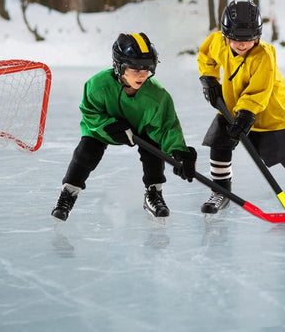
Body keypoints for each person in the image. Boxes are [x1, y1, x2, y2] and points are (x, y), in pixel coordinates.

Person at [196, 0, 285, 222]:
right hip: (233, 107)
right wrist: (209, 78)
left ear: (258, 35)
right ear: (225, 34)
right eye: (236, 39)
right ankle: (220, 191)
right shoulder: (218, 43)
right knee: (219, 143)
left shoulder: (264, 55)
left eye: (248, 39)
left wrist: (245, 113)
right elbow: (206, 56)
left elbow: (258, 90)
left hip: (269, 112)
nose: (242, 45)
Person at [51, 32, 197, 221]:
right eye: (136, 69)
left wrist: (179, 153)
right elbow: (89, 112)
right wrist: (109, 125)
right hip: (103, 130)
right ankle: (68, 193)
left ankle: (154, 193)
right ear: (119, 67)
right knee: (86, 152)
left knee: (152, 150)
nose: (142, 75)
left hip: (140, 128)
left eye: (147, 69)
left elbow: (166, 126)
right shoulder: (97, 85)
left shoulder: (157, 95)